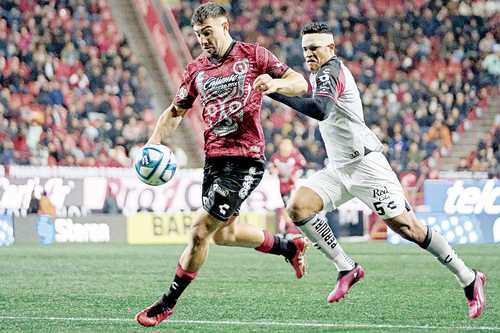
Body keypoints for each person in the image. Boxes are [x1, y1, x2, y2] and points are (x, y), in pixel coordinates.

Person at [268, 22, 486, 319]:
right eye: (305, 48)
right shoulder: (318, 73)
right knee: (298, 207)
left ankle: (468, 277)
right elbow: (312, 99)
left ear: (331, 48)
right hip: (340, 168)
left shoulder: (332, 70)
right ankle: (346, 266)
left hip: (366, 166)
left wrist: (275, 92)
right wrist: (276, 86)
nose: (309, 53)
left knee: (407, 228)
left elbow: (319, 109)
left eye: (315, 48)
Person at [135, 3, 309, 327]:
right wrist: (153, 143)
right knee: (223, 235)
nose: (203, 39)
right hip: (213, 161)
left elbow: (300, 82)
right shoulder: (196, 70)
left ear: (225, 26)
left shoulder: (253, 55)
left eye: (208, 32)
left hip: (246, 159)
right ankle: (289, 246)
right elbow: (175, 112)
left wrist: (276, 85)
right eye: (198, 34)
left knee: (200, 231)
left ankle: (167, 303)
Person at [269, 138, 306, 235]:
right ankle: (285, 228)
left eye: (287, 144)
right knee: (283, 207)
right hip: (279, 187)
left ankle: (292, 228)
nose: (285, 147)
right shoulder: (276, 157)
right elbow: (271, 168)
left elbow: (302, 167)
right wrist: (273, 170)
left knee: (292, 207)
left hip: (293, 186)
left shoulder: (296, 156)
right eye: (283, 144)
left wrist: (295, 175)